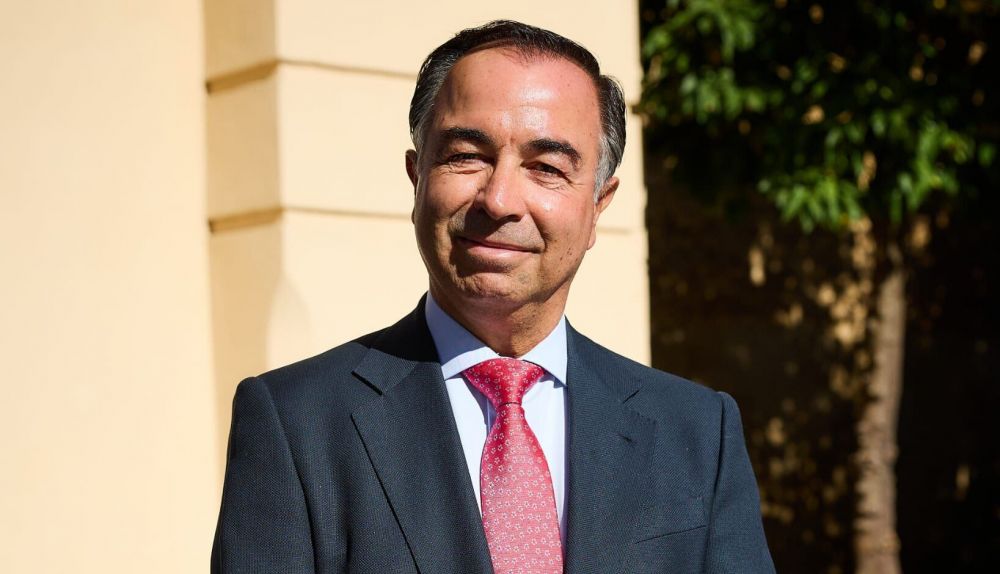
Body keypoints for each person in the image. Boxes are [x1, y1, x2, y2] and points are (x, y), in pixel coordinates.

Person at [211, 20, 775, 574]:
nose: (500, 199)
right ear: (416, 178)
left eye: (547, 167)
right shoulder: (298, 424)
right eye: (467, 155)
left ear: (598, 205)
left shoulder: (697, 434)